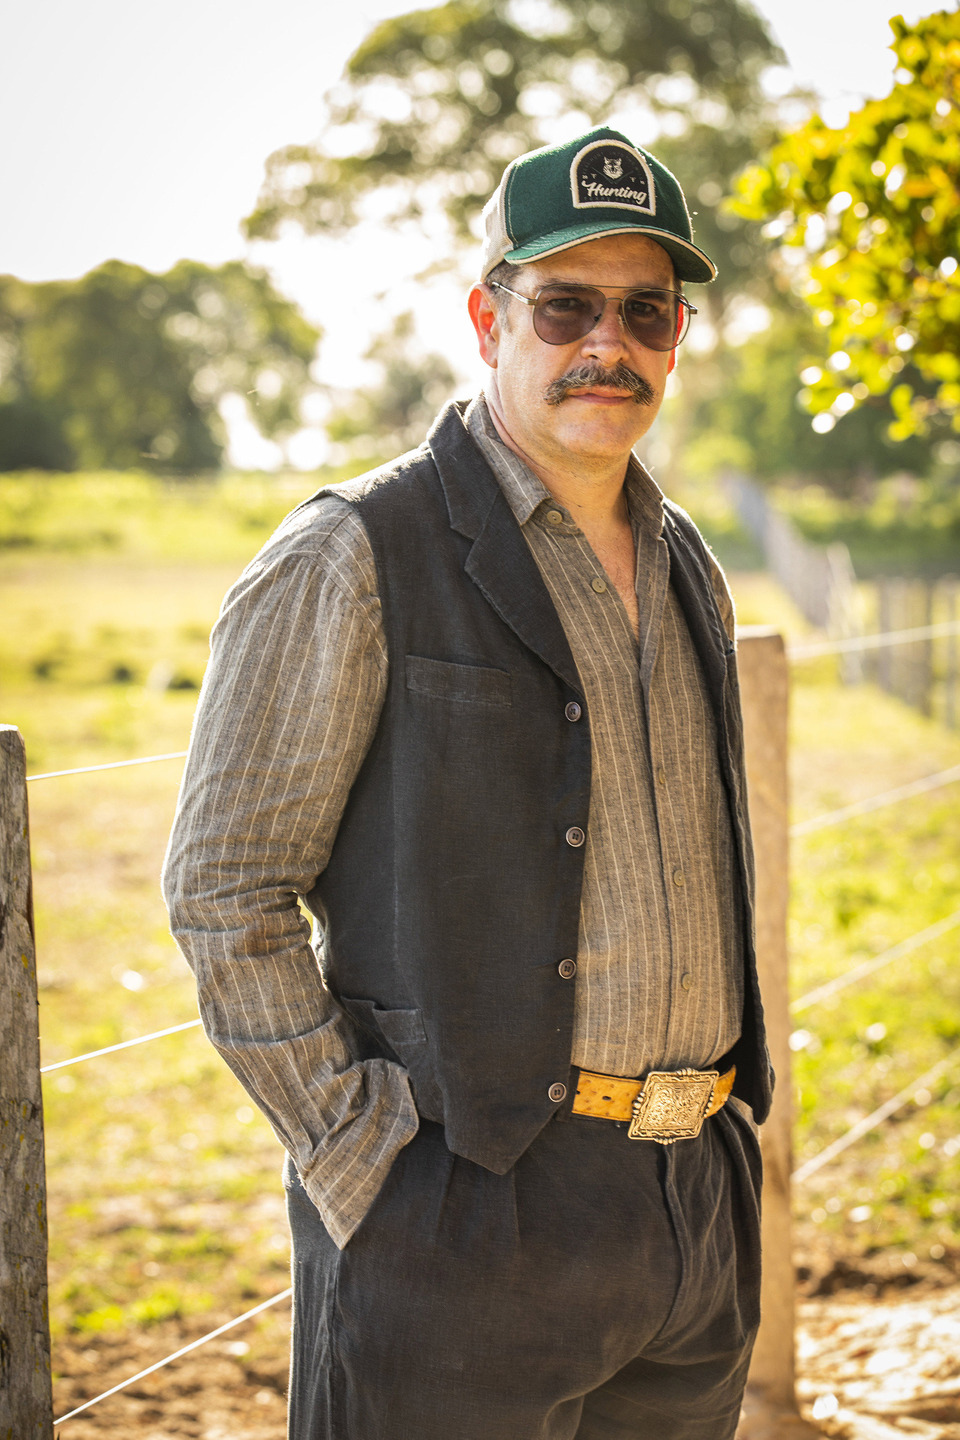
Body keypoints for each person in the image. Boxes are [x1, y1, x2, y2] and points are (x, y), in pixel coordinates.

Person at [163, 125, 773, 1440]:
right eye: (565, 305)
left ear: (676, 336)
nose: (607, 343)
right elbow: (226, 890)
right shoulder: (347, 554)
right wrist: (356, 1159)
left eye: (646, 311)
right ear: (491, 315)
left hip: (691, 1223)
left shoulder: (690, 569)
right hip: (458, 1226)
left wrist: (728, 1162)